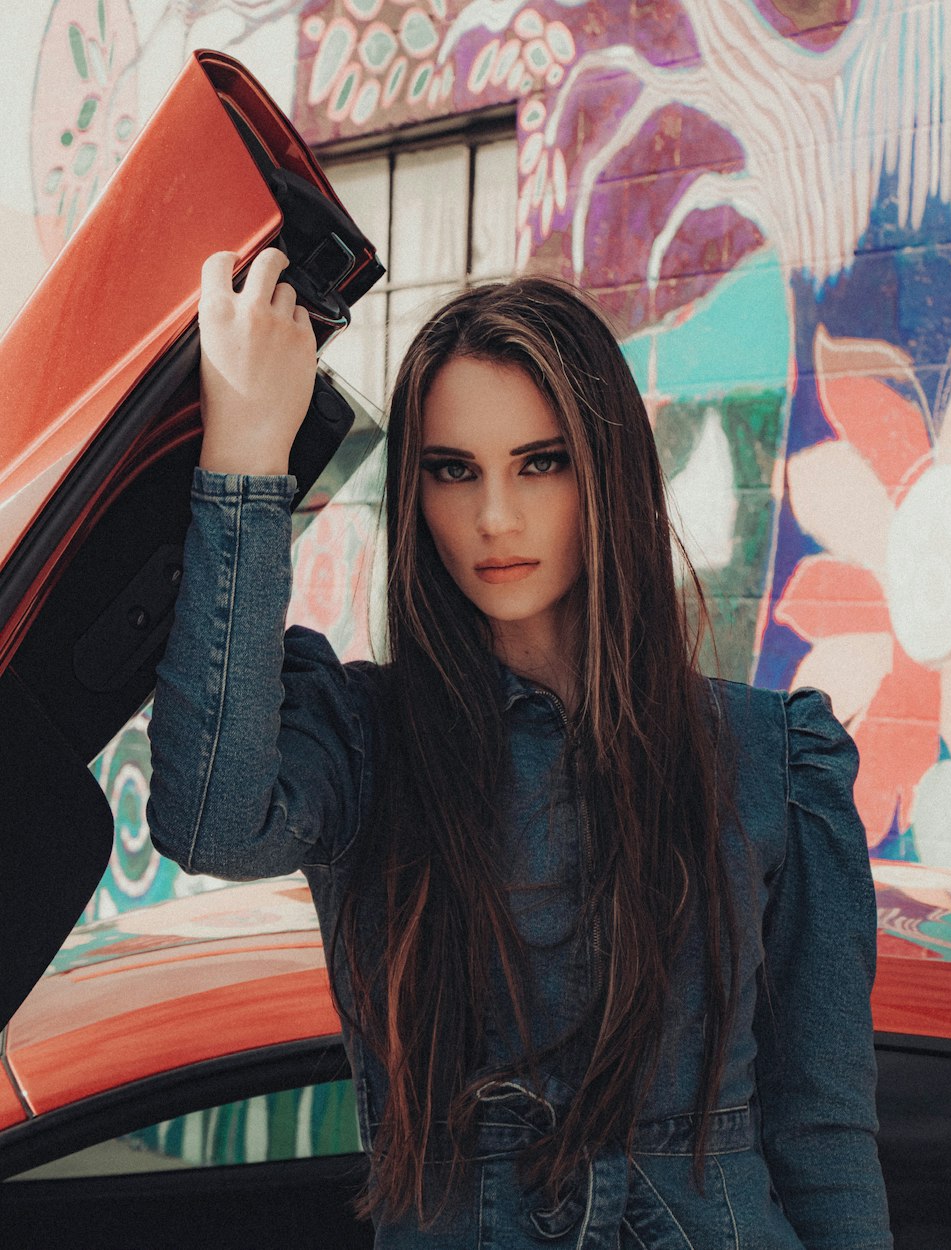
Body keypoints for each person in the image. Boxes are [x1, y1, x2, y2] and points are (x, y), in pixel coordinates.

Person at [147, 247, 893, 1249]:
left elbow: (825, 1131)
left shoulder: (770, 759)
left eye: (540, 462)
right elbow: (211, 819)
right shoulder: (368, 738)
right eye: (453, 471)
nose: (494, 517)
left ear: (606, 471)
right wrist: (245, 451)